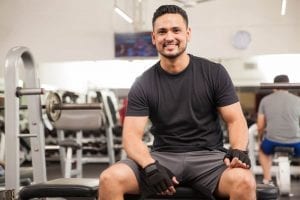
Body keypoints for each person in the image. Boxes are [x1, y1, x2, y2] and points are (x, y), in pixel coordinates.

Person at [99, 4, 256, 200]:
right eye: (162, 32)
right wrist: (149, 166)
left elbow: (235, 120)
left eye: (176, 30)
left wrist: (238, 149)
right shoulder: (143, 83)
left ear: (188, 34)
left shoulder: (214, 73)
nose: (169, 37)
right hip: (162, 156)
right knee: (109, 179)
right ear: (154, 38)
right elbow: (131, 137)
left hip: (208, 157)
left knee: (245, 181)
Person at [257, 74, 300, 185]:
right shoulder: (298, 100)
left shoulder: (265, 100)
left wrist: (260, 139)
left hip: (272, 141)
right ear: (289, 86)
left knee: (262, 150)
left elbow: (260, 126)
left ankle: (267, 180)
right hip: (296, 142)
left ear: (273, 86)